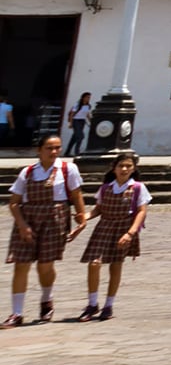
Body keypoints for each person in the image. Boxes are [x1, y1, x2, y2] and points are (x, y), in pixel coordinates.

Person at [5, 135, 83, 326]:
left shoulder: (67, 169)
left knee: (45, 265)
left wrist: (81, 219)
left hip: (54, 220)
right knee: (21, 264)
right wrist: (23, 226)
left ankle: (47, 301)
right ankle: (16, 313)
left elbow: (76, 194)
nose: (54, 152)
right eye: (49, 148)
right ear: (39, 150)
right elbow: (14, 203)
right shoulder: (28, 172)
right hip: (28, 219)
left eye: (57, 147)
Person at [76, 150, 147, 322]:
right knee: (94, 263)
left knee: (115, 266)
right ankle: (92, 303)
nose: (124, 169)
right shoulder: (106, 188)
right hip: (104, 227)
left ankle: (108, 305)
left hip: (123, 228)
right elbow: (98, 209)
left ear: (133, 169)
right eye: (121, 166)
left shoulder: (137, 188)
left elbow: (141, 212)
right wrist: (85, 217)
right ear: (114, 168)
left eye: (128, 166)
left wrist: (130, 233)